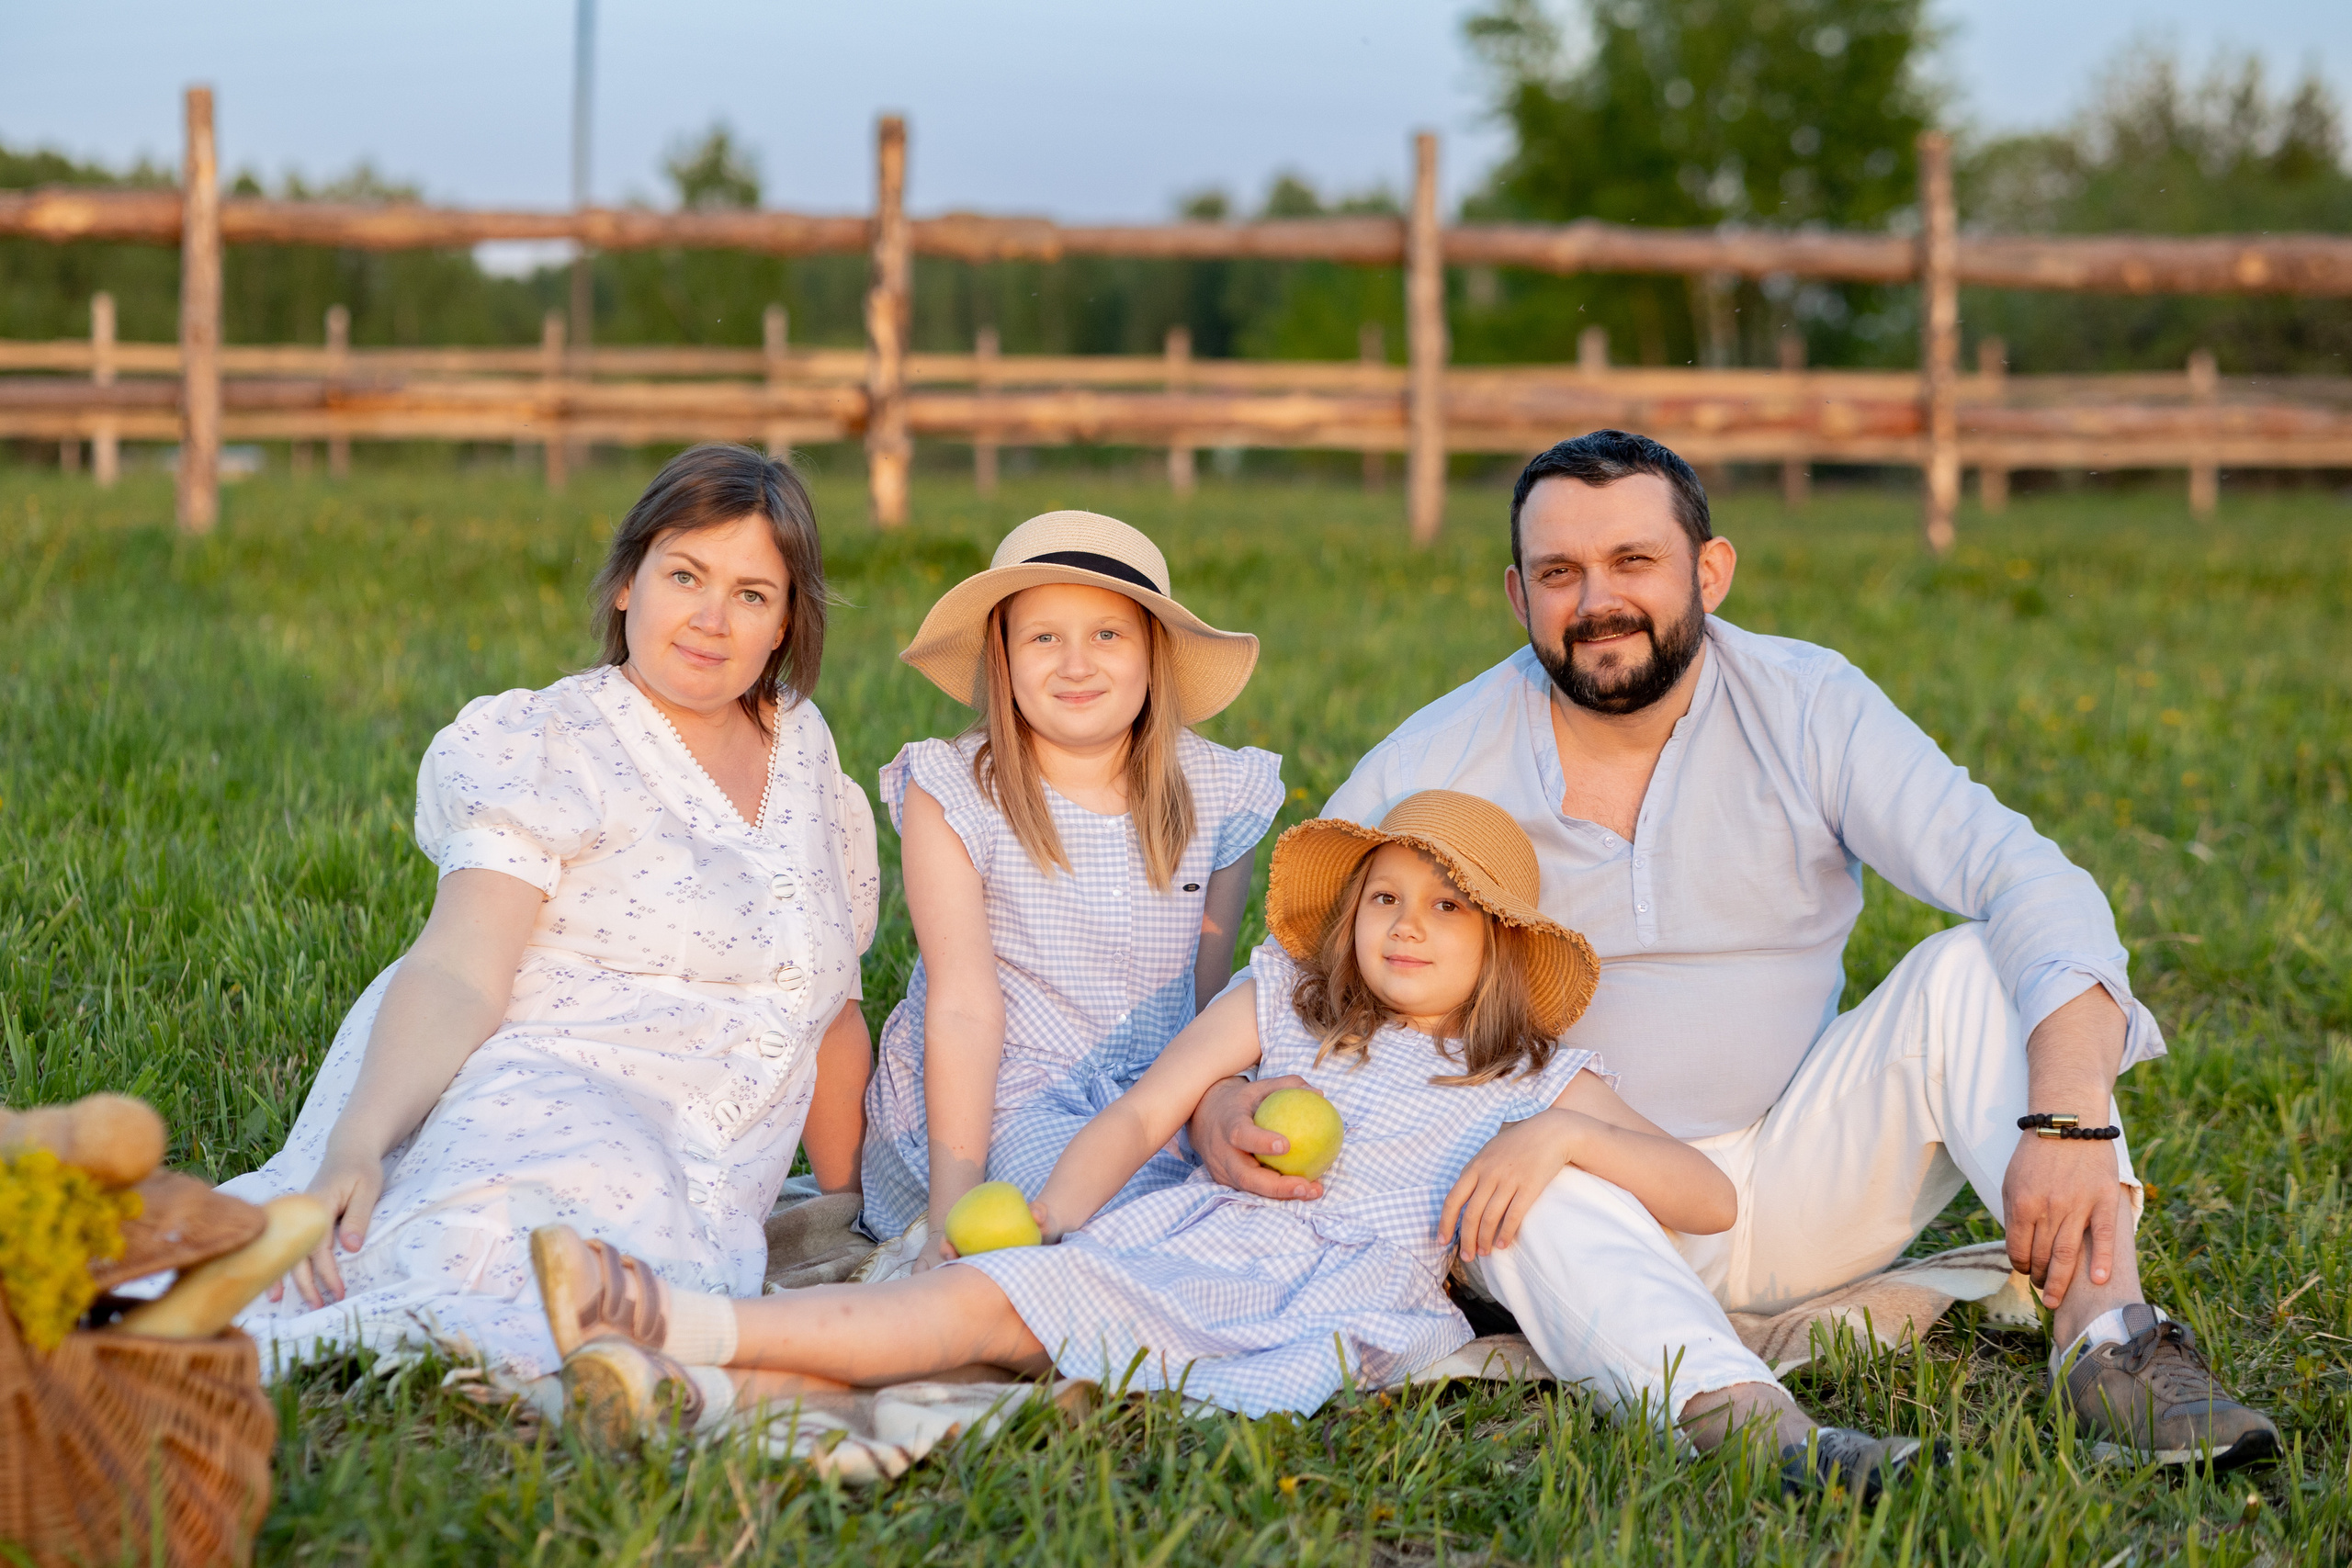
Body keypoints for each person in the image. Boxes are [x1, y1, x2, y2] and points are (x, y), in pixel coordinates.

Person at [1188, 429, 2279, 1482]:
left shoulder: (1808, 705)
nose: (1596, 601)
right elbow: (1297, 981)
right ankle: (1751, 1427)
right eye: (1558, 571)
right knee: (1516, 1150)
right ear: (1517, 596)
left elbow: (2023, 875)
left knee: (1970, 965)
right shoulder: (1441, 756)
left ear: (1709, 569)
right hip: (1578, 1197)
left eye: (1633, 561)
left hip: (1806, 1171)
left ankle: (2115, 1352)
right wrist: (1217, 1108)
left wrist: (2072, 1115)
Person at [526, 791, 1736, 1447]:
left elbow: (1706, 1192)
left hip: (1347, 1296)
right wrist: (1050, 1215)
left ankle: (679, 1346)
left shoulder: (1530, 1073)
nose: (1406, 925)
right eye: (1384, 897)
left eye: (1447, 907)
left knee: (992, 1343)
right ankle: (682, 1342)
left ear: (1502, 943)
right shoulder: (1290, 1007)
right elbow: (1153, 1105)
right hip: (1193, 1246)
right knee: (983, 1311)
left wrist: (1562, 1137)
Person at [220, 445, 879, 1379]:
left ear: (784, 624)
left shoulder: (804, 747)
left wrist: (851, 1206)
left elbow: (830, 1009)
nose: (709, 618)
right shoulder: (553, 742)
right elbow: (456, 966)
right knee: (542, 1250)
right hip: (556, 1091)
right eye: (684, 575)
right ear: (626, 583)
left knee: (637, 1279)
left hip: (710, 1161)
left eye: (750, 594)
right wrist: (357, 1146)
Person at [856, 511, 1283, 1270]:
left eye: (1108, 634)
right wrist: (952, 1213)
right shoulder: (957, 788)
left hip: (1157, 1090)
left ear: (1153, 653)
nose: (1076, 664)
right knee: (1094, 1235)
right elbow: (961, 1006)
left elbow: (1205, 996)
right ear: (1004, 657)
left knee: (1255, 1209)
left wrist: (1208, 1105)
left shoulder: (1217, 787)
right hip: (1000, 1091)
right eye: (1044, 636)